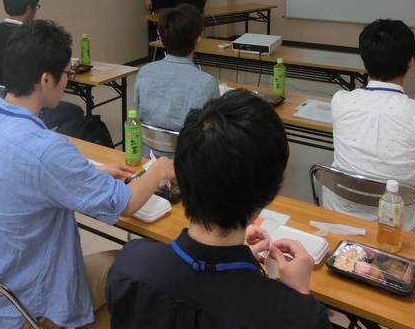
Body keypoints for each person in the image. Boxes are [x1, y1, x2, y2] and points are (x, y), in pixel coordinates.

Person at [0, 20, 175, 329]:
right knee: (134, 267)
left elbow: (18, 177)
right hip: (17, 310)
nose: (67, 80)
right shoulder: (46, 150)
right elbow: (127, 203)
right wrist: (159, 169)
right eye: (67, 73)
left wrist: (90, 173)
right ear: (46, 79)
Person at [106, 90, 332, 329]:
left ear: (180, 175)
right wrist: (299, 300)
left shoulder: (129, 265)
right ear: (269, 195)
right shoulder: (299, 317)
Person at [326, 19, 415, 232]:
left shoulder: (341, 101)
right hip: (394, 230)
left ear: (364, 61)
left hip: (338, 216)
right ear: (410, 62)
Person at [0, 0, 83, 129]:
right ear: (29, 8)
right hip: (27, 104)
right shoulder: (29, 38)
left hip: (0, 101)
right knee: (76, 112)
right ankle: (49, 140)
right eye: (36, 6)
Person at [134, 3, 219, 158]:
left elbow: (140, 115)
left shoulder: (144, 72)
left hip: (147, 162)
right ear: (197, 40)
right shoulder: (207, 84)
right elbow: (212, 137)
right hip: (186, 165)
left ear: (163, 39)